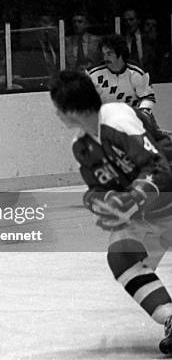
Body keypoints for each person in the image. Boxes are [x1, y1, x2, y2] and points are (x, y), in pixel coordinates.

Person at [49, 70, 172, 354]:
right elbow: (96, 189)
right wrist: (99, 203)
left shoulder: (118, 118)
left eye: (58, 108)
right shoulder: (81, 146)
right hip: (149, 213)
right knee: (122, 256)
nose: (56, 114)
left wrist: (131, 199)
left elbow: (159, 168)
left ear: (71, 110)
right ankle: (170, 317)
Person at [88, 34, 156, 122]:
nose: (105, 58)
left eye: (109, 54)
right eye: (104, 54)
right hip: (104, 122)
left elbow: (148, 98)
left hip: (134, 120)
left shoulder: (137, 73)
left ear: (120, 53)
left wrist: (142, 116)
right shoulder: (93, 74)